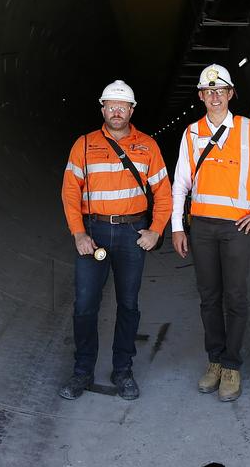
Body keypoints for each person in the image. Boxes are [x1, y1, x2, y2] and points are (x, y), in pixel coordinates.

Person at [170, 64, 250, 402]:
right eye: (208, 91)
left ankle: (232, 365)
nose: (214, 96)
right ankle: (214, 361)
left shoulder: (249, 131)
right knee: (209, 298)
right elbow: (180, 184)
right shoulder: (191, 133)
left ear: (230, 94)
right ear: (200, 96)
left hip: (237, 228)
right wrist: (178, 227)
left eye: (220, 90)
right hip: (202, 228)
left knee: (235, 298)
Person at [59, 79, 172, 400]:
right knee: (84, 306)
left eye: (123, 106)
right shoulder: (83, 145)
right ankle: (82, 371)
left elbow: (163, 192)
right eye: (111, 105)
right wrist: (78, 233)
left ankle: (123, 370)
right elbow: (70, 193)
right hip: (93, 233)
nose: (117, 110)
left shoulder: (148, 146)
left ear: (132, 110)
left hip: (131, 233)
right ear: (103, 108)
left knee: (128, 305)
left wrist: (156, 230)